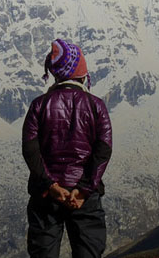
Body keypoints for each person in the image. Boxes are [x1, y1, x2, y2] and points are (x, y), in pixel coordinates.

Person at [22, 38, 113, 258]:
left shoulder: (39, 105)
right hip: (84, 197)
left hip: (46, 197)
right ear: (81, 72)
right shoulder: (96, 106)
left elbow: (30, 149)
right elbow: (103, 149)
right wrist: (84, 188)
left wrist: (50, 185)